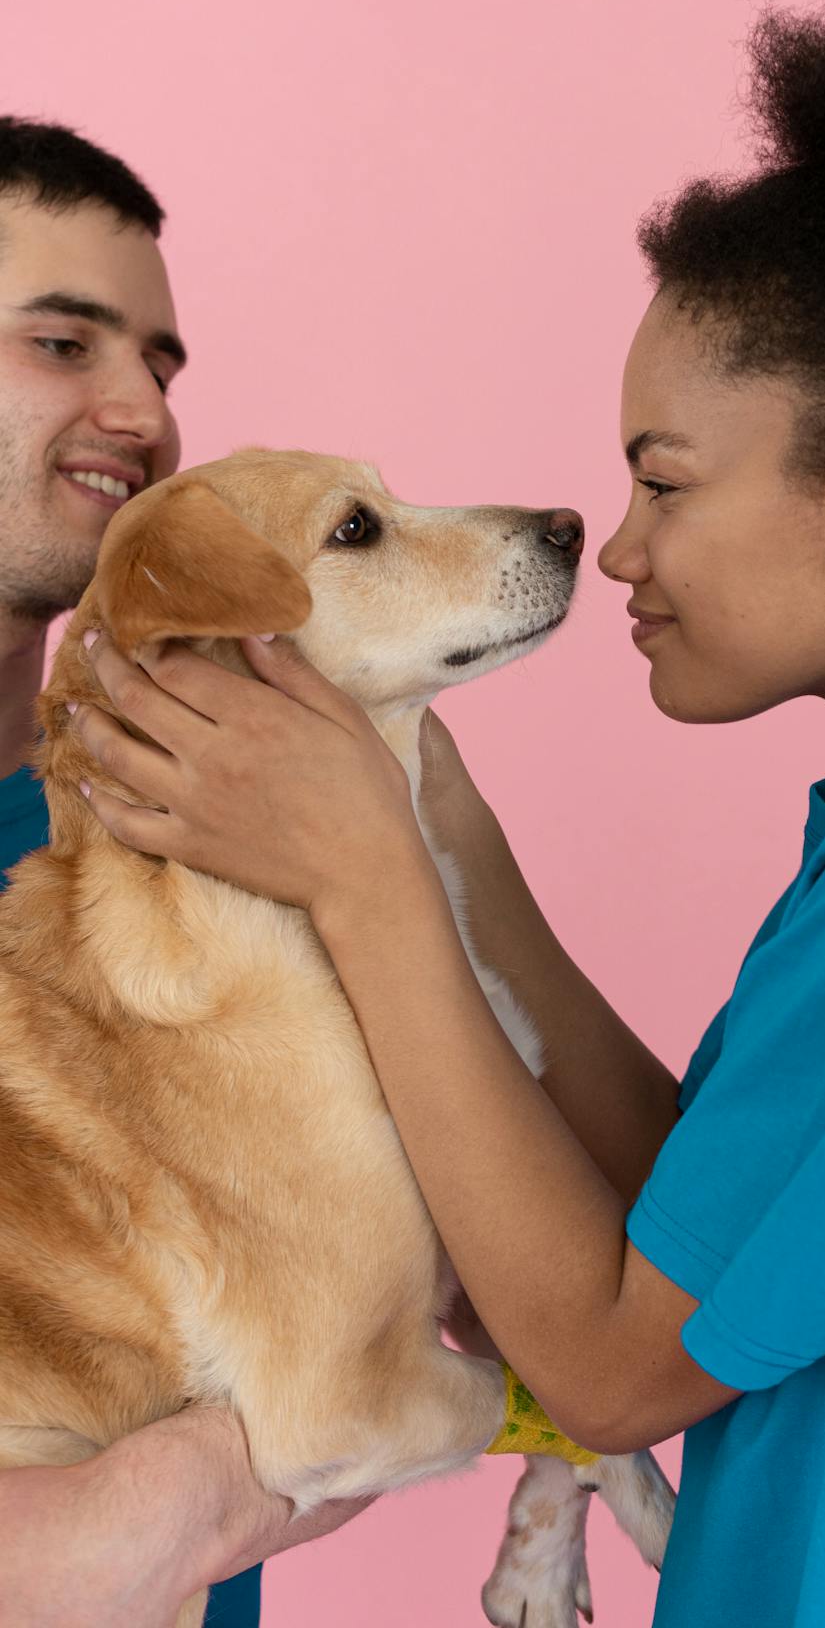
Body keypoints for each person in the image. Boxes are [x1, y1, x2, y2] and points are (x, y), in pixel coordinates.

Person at [16, 0, 825, 1625]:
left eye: (665, 483)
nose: (619, 546)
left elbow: (612, 1361)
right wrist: (457, 849)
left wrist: (378, 886)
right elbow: (713, 1220)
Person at [0, 120, 367, 1626]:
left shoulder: (189, 827)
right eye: (62, 340)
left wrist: (176, 1498)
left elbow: (395, 1298)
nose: (142, 412)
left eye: (159, 362)